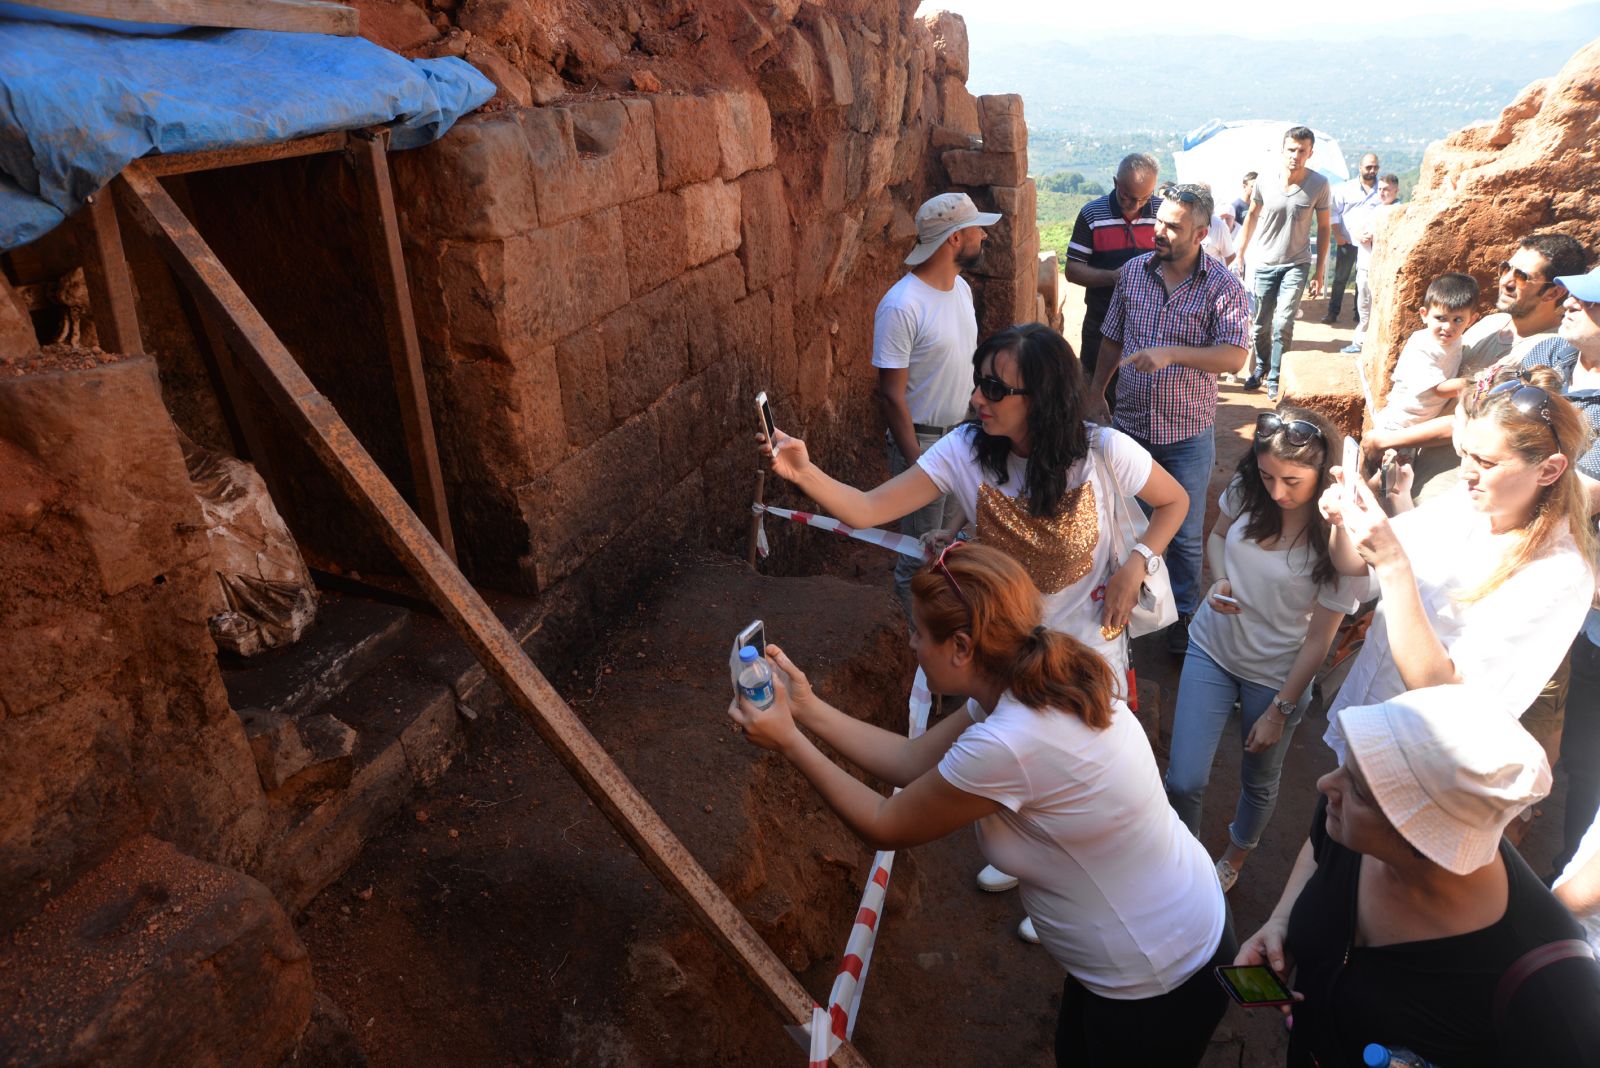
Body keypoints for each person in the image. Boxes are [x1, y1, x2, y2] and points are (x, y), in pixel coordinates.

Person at [727, 543, 1233, 1066]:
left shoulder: (1010, 740)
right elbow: (908, 759)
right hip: (1151, 949)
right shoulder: (1030, 677)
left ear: (962, 647)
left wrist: (789, 741)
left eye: (918, 633)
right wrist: (806, 709)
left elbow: (883, 824)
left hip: (1161, 975)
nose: (912, 643)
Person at [764, 322, 1187, 680]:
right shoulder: (965, 449)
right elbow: (868, 509)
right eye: (978, 383)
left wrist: (1137, 563)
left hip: (1089, 660)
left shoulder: (1102, 451)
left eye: (993, 389)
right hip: (1006, 658)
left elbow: (1175, 501)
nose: (976, 399)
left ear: (1040, 398)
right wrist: (803, 471)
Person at [1235, 687, 1600, 1067]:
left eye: (1359, 790)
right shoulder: (1343, 821)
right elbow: (1318, 849)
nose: (1326, 783)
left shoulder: (1551, 986)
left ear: (1424, 836)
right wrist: (1282, 921)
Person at [1319, 364, 1596, 763]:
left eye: (1486, 462)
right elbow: (1356, 568)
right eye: (1464, 453)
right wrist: (1345, 521)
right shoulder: (1467, 506)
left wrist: (1394, 565)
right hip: (1365, 730)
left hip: (1421, 769)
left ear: (1549, 470)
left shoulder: (1558, 575)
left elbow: (1444, 696)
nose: (1466, 472)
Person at [1164, 408, 1360, 893]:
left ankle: (1236, 855)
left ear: (1325, 475)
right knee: (1183, 780)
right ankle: (1185, 860)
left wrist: (1280, 709)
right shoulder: (1247, 491)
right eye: (1268, 475)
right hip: (1212, 647)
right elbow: (1215, 535)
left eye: (1292, 480)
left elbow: (1320, 638)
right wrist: (1219, 579)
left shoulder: (1337, 540)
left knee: (1259, 778)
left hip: (1275, 675)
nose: (1277, 492)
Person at [1087, 183, 1251, 655]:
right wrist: (1097, 392)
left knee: (1181, 531)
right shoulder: (1134, 273)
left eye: (1173, 226)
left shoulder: (1223, 286)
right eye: (1159, 221)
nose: (1159, 231)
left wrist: (1171, 354)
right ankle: (1127, 612)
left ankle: (1182, 617)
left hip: (1185, 433)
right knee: (1119, 522)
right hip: (1131, 428)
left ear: (1201, 233)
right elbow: (1112, 337)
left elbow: (1236, 357)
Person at [1367, 230, 1586, 500]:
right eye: (1506, 268)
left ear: (1554, 291)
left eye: (1521, 276)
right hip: (1411, 455)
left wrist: (1386, 440)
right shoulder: (1491, 324)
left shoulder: (1548, 351)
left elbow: (1478, 415)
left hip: (1455, 479)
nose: (1506, 280)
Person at [873, 191, 1001, 618]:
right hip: (924, 446)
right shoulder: (901, 305)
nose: (984, 236)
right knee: (917, 556)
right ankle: (916, 651)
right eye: (976, 229)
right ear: (953, 239)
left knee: (948, 545)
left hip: (962, 438)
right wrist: (917, 466)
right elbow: (891, 395)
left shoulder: (961, 290)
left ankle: (939, 640)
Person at [1542, 265, 1600, 878]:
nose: (1566, 304)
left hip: (1585, 594)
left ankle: (1572, 872)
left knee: (1585, 756)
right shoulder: (1557, 352)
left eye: (1581, 303)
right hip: (1556, 577)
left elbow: (1578, 495)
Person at [1234, 126, 1331, 402]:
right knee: (1261, 325)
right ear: (1282, 150)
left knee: (1283, 321)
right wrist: (1241, 252)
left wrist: (1320, 269)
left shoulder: (1319, 184)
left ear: (1310, 153)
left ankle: (1277, 375)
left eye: (1302, 151)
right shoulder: (1265, 180)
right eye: (1291, 149)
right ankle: (1261, 367)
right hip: (1264, 260)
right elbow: (1252, 215)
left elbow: (1324, 228)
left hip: (1296, 263)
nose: (1296, 155)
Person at [1064, 154, 1163, 413]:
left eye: (1144, 198)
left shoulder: (1163, 215)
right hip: (1100, 321)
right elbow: (1073, 270)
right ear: (1115, 183)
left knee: (1143, 398)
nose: (1135, 205)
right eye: (1128, 197)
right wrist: (1114, 277)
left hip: (1150, 326)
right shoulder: (1092, 214)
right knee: (1094, 396)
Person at [1359, 272, 1480, 469]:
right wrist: (1469, 384)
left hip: (1418, 424)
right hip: (1400, 425)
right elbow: (1438, 389)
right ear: (1424, 315)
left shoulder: (1456, 341)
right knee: (1388, 476)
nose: (1448, 327)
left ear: (1472, 320)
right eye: (1440, 318)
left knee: (1401, 478)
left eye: (1458, 320)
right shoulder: (1422, 346)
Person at [1344, 173, 1401, 353]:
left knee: (1374, 305)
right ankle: (1361, 340)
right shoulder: (1376, 210)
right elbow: (1358, 229)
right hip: (1364, 263)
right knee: (1363, 303)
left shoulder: (1398, 211)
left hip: (1381, 268)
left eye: (1387, 190)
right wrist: (1361, 236)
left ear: (1396, 190)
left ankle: (1367, 343)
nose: (1382, 193)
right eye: (1380, 189)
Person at [1322, 153, 1381, 325]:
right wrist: (1338, 235)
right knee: (1341, 278)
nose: (1372, 170)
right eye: (1369, 167)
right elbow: (1333, 212)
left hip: (1371, 244)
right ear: (1360, 167)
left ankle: (1359, 315)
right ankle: (1332, 313)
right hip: (1347, 241)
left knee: (1363, 279)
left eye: (1375, 167)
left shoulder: (1381, 190)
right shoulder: (1345, 189)